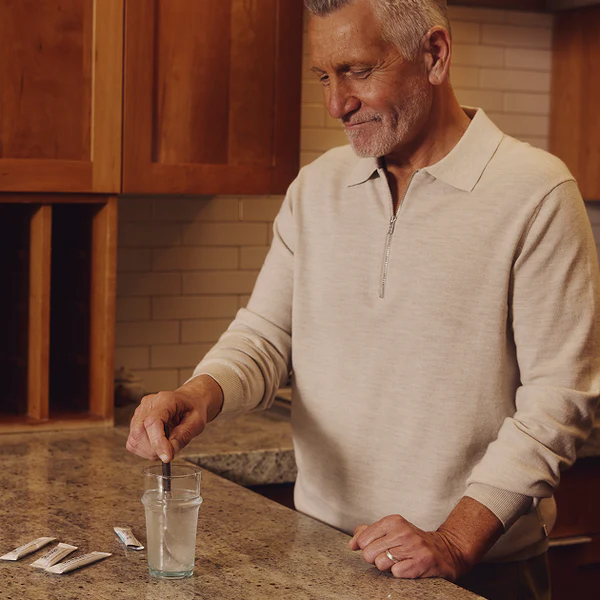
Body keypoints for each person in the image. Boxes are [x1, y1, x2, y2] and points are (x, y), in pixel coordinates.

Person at [126, 0, 600, 598]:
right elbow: (267, 335)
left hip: (479, 571)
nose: (336, 104)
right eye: (325, 76)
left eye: (357, 70)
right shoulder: (317, 187)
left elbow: (559, 400)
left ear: (434, 55)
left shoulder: (536, 192)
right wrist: (199, 394)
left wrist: (455, 540)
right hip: (324, 554)